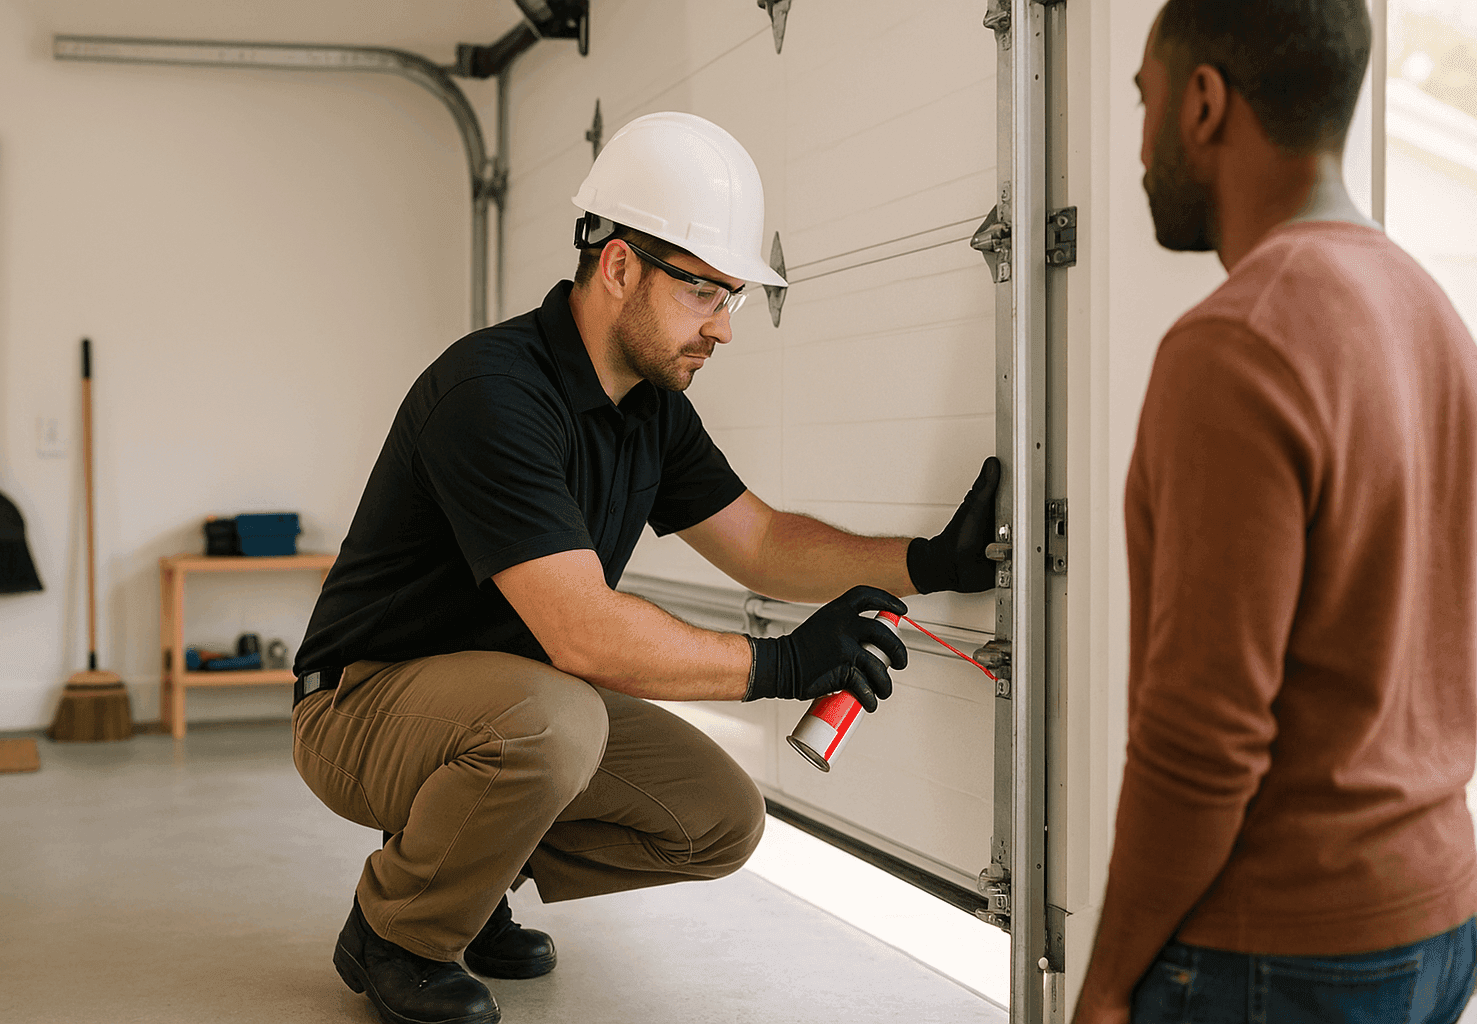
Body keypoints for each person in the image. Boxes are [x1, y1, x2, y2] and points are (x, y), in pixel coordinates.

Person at [290, 110, 1001, 1024]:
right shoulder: (493, 394)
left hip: (508, 704)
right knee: (555, 720)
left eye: (732, 298)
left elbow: (761, 540)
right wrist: (779, 667)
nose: (726, 329)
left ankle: (471, 879)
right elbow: (582, 632)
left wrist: (927, 563)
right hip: (358, 704)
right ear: (620, 265)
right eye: (706, 292)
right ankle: (397, 932)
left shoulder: (648, 407)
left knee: (718, 818)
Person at [1072, 2, 1477, 1023]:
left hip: (1281, 955)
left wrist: (1109, 979)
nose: (1140, 146)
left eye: (1144, 104)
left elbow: (1203, 737)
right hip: (1437, 919)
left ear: (1203, 104)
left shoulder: (1235, 345)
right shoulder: (1434, 316)